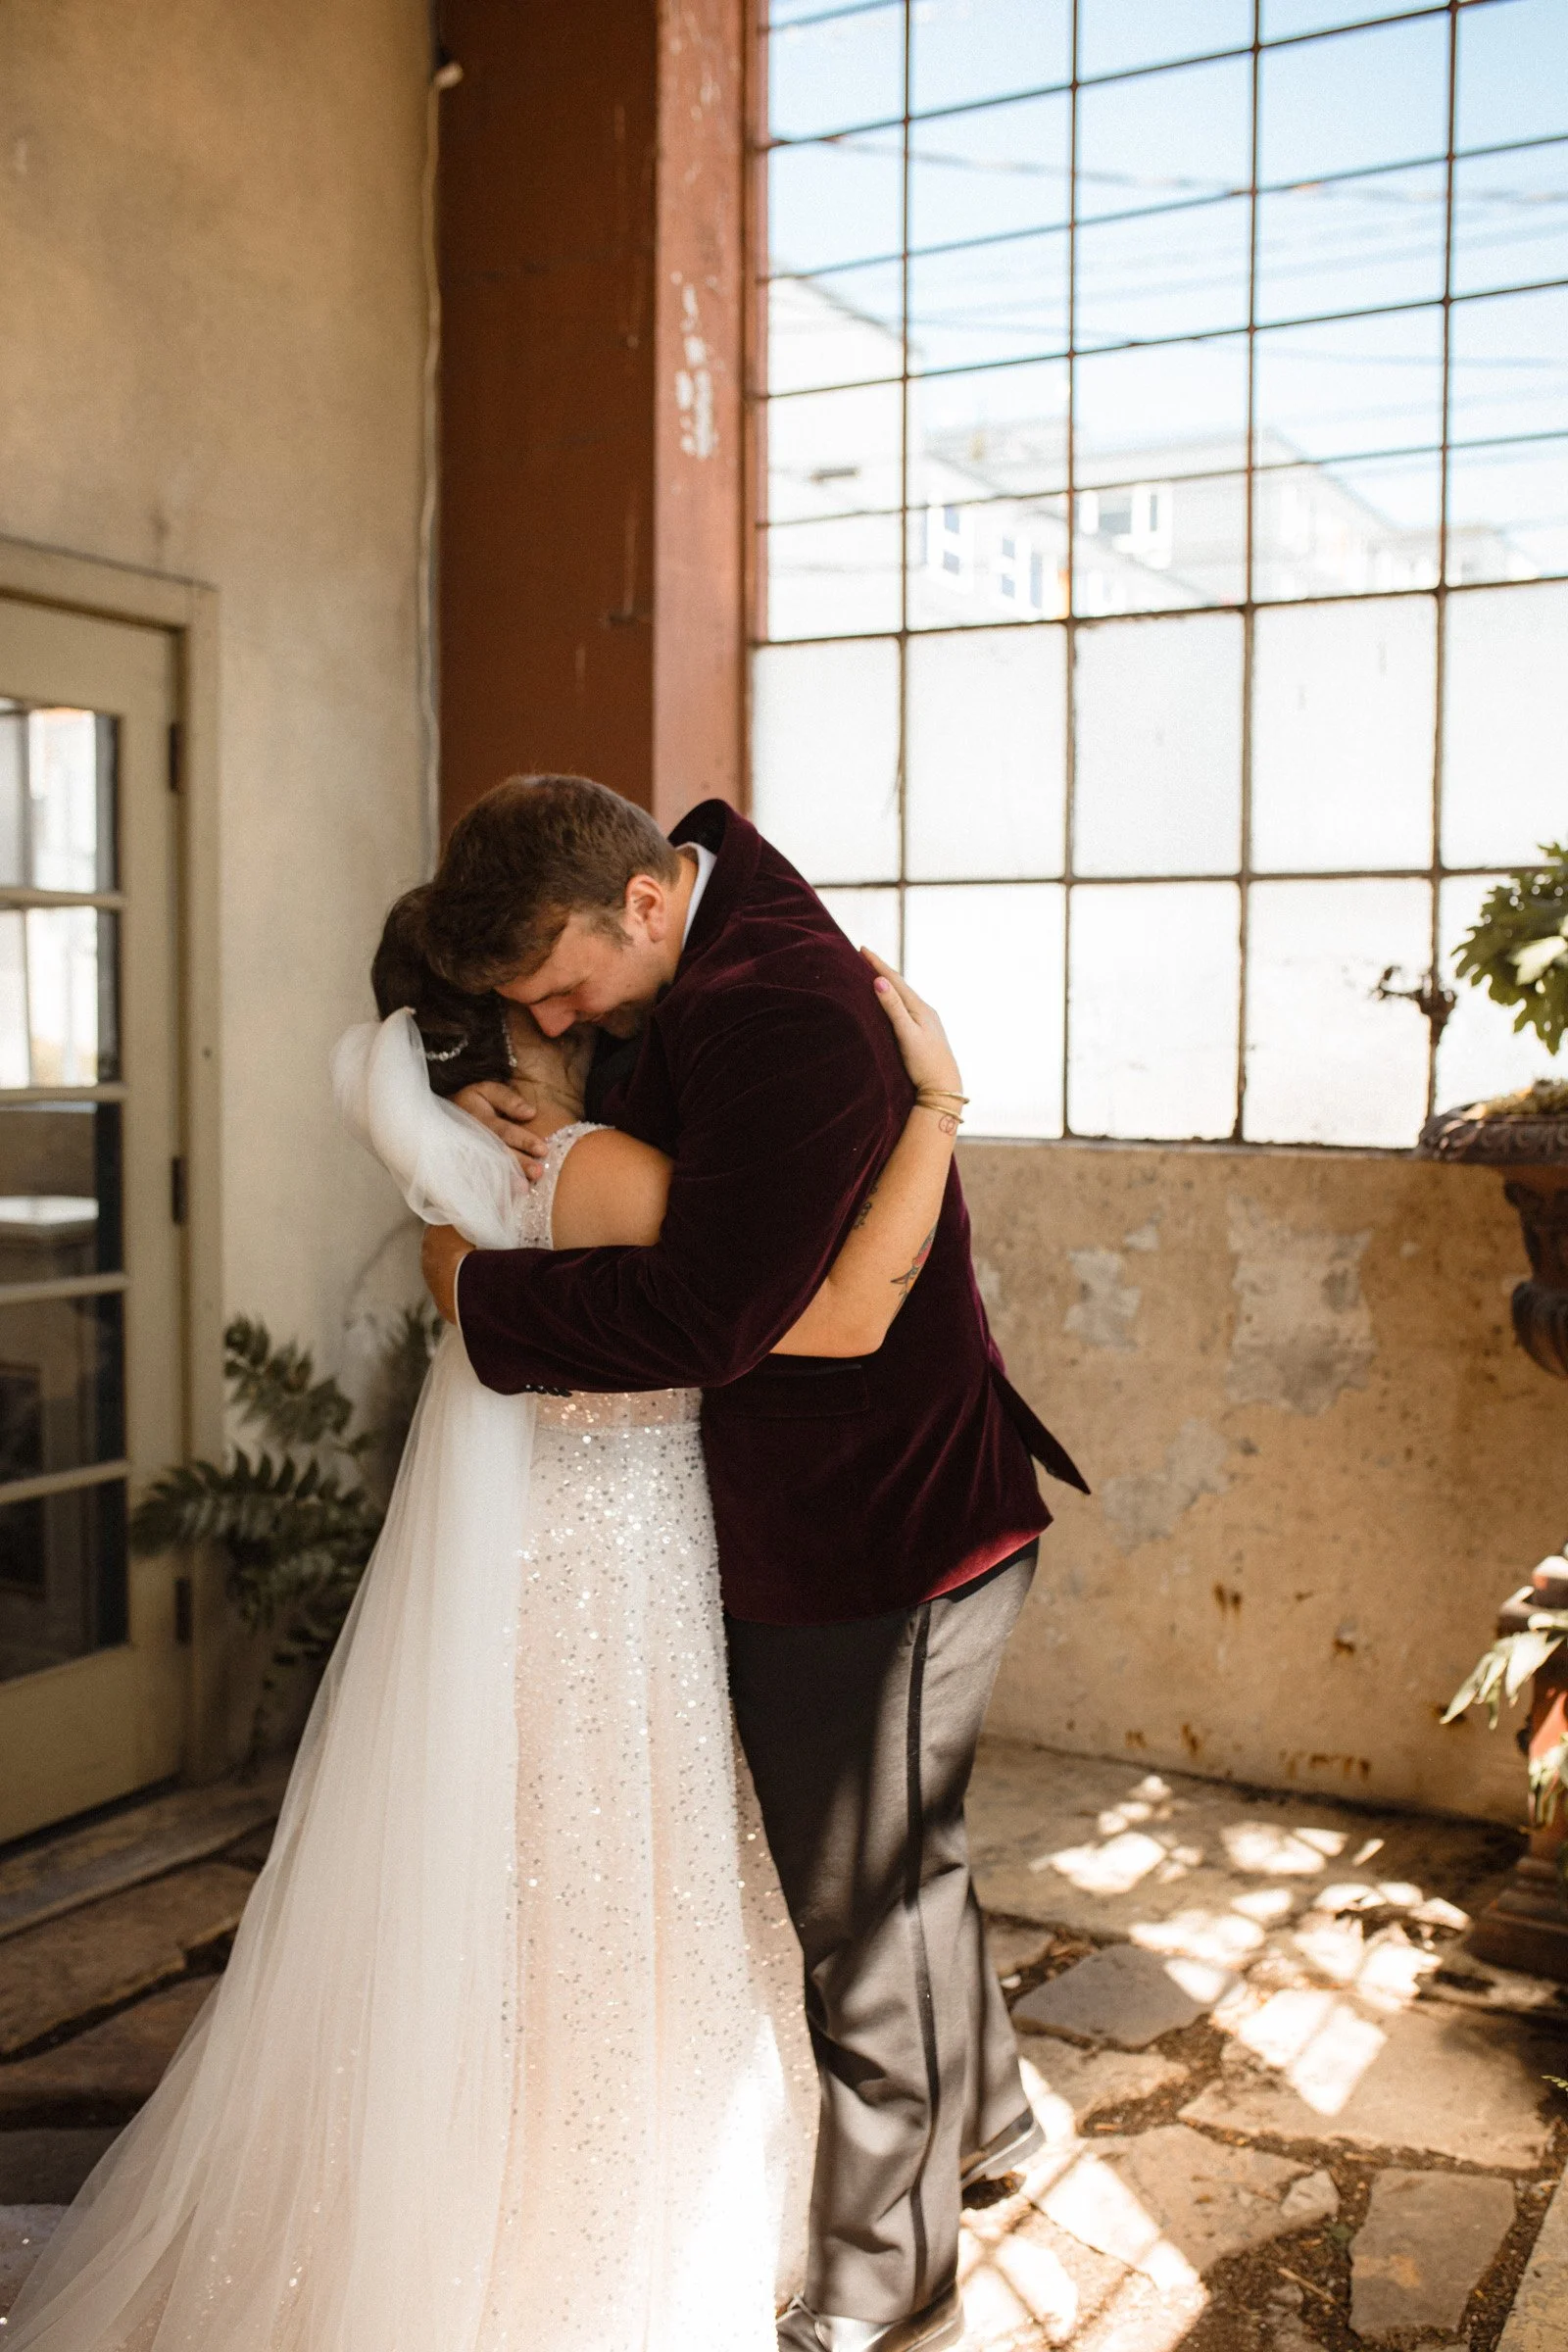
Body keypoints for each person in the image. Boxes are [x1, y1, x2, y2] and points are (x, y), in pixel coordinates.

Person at [0, 890, 972, 2352]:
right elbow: (831, 1309)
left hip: (547, 1552)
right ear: (512, 1031)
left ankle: (489, 2163)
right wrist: (939, 1106)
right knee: (607, 1872)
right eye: (558, 1004)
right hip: (618, 1557)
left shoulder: (459, 1175)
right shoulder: (594, 1166)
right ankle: (586, 2208)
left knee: (525, 1866)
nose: (590, 1024)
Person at [419, 776, 1086, 2352]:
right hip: (832, 1508)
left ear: (644, 901)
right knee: (897, 1880)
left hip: (882, 1528)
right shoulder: (702, 946)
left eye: (568, 990)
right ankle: (985, 2125)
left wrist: (477, 1306)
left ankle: (886, 2285)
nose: (565, 1021)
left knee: (864, 1923)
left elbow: (715, 1316)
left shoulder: (775, 1005)